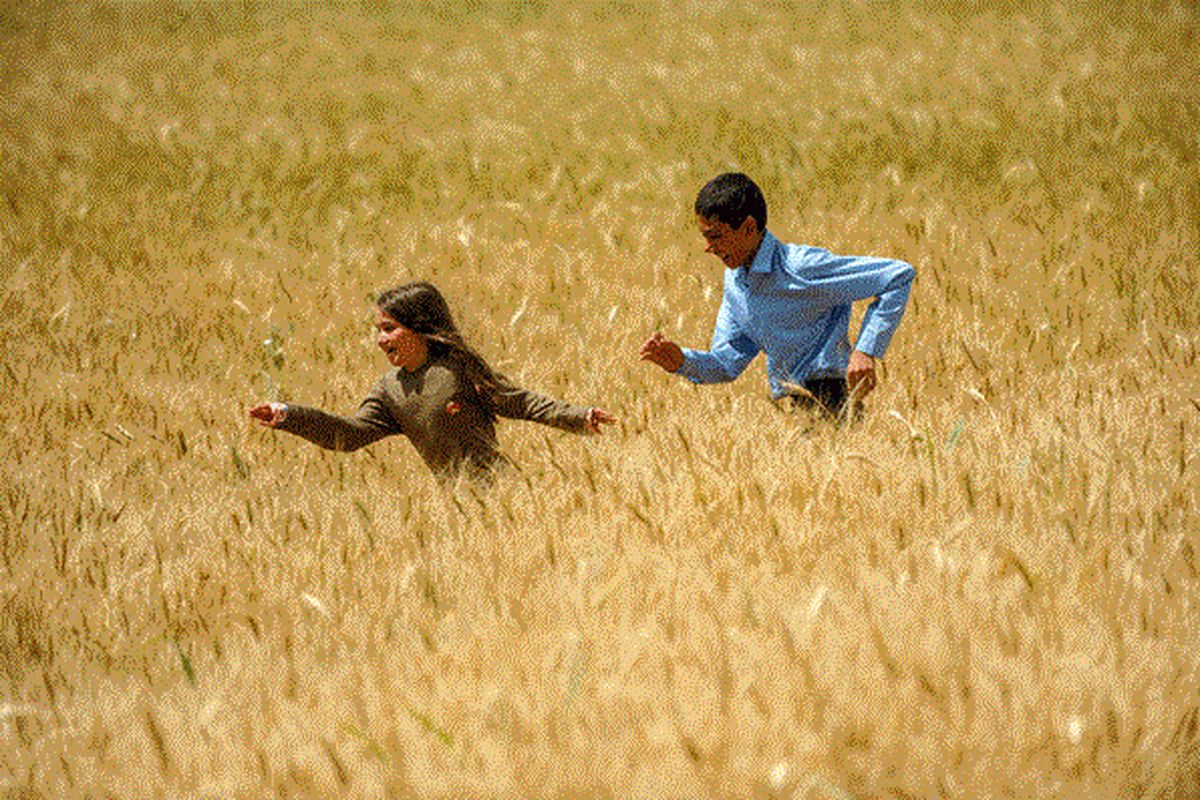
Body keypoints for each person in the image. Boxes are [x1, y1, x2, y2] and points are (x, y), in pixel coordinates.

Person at [249, 281, 615, 479]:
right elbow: (349, 435)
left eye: (389, 329)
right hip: (457, 509)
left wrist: (579, 416)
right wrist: (288, 415)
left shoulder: (458, 368)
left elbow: (522, 402)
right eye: (378, 330)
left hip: (504, 493)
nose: (380, 340)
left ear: (419, 329)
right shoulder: (388, 390)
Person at [639, 172, 915, 418]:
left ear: (748, 228)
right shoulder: (736, 282)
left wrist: (866, 350)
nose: (708, 248)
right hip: (794, 408)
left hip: (835, 401)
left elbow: (898, 276)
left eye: (716, 237)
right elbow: (726, 363)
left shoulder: (801, 267)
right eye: (705, 237)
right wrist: (682, 362)